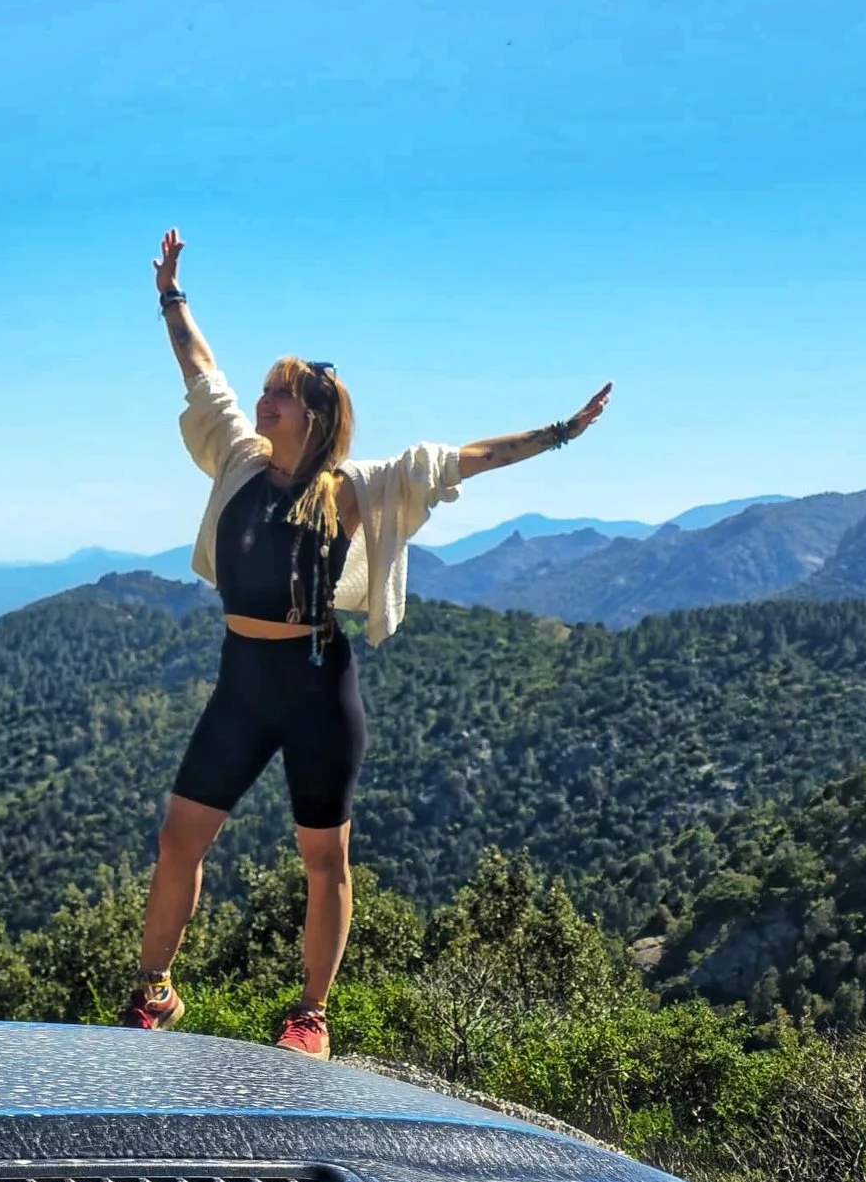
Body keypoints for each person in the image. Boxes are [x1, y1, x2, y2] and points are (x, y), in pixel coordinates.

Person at [129, 230, 610, 1053]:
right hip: (242, 680)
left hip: (316, 686)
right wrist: (171, 295)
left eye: (280, 395)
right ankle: (155, 989)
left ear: (314, 417)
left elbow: (467, 459)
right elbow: (198, 369)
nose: (263, 402)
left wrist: (560, 431)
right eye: (266, 391)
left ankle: (310, 1014)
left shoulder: (353, 491)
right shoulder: (239, 459)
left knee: (325, 859)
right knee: (181, 835)